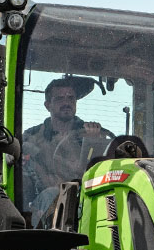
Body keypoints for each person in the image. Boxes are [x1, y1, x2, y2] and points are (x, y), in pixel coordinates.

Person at [22, 76, 116, 216]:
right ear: (48, 105)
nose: (67, 102)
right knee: (52, 194)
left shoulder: (92, 133)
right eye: (60, 98)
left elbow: (100, 173)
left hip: (84, 196)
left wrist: (94, 143)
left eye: (71, 98)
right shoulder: (32, 136)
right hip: (44, 202)